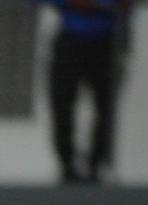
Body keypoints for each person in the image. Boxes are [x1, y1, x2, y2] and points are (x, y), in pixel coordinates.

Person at [40, 0, 123, 184]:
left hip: (109, 40)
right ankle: (67, 166)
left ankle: (96, 166)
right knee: (62, 100)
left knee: (106, 106)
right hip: (71, 38)